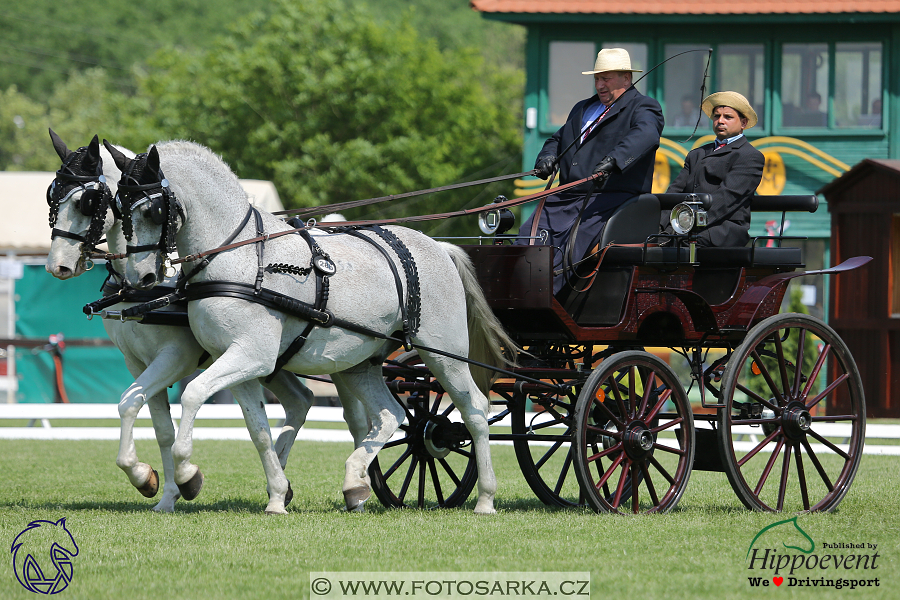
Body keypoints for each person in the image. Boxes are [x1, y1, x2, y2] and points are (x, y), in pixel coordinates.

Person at [517, 47, 664, 293]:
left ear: (626, 78)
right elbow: (558, 139)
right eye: (597, 78)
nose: (600, 84)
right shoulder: (582, 108)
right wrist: (547, 157)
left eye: (606, 78)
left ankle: (544, 296)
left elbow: (646, 135)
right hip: (567, 195)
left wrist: (614, 160)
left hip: (609, 198)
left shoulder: (644, 107)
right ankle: (514, 287)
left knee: (570, 244)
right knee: (528, 233)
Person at [662, 91, 765, 247]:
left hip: (722, 230)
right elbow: (674, 193)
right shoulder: (697, 154)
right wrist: (663, 226)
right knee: (647, 240)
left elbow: (725, 199)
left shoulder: (749, 156)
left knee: (679, 245)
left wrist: (686, 224)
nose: (720, 121)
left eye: (728, 117)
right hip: (686, 225)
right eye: (716, 116)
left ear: (743, 123)